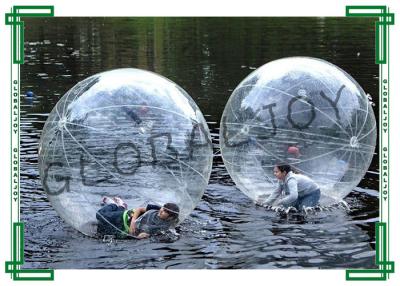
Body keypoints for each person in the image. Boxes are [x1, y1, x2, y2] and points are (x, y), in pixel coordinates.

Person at [96, 197, 180, 239]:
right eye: (163, 208)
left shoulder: (164, 227)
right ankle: (114, 205)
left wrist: (143, 236)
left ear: (170, 218)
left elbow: (148, 233)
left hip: (124, 228)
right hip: (126, 216)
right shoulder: (157, 209)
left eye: (166, 211)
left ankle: (121, 207)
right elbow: (139, 209)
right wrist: (133, 222)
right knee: (99, 215)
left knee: (99, 229)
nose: (162, 210)